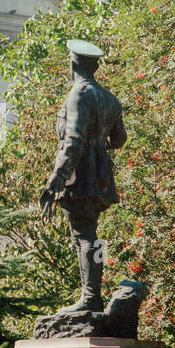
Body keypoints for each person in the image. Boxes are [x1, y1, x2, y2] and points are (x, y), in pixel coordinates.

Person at [39, 40, 126, 313]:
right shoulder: (110, 98)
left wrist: (56, 179)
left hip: (81, 175)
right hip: (100, 176)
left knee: (84, 235)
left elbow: (73, 140)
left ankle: (90, 298)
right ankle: (92, 295)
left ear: (73, 62)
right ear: (96, 66)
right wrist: (98, 146)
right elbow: (120, 139)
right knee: (90, 234)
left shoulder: (78, 94)